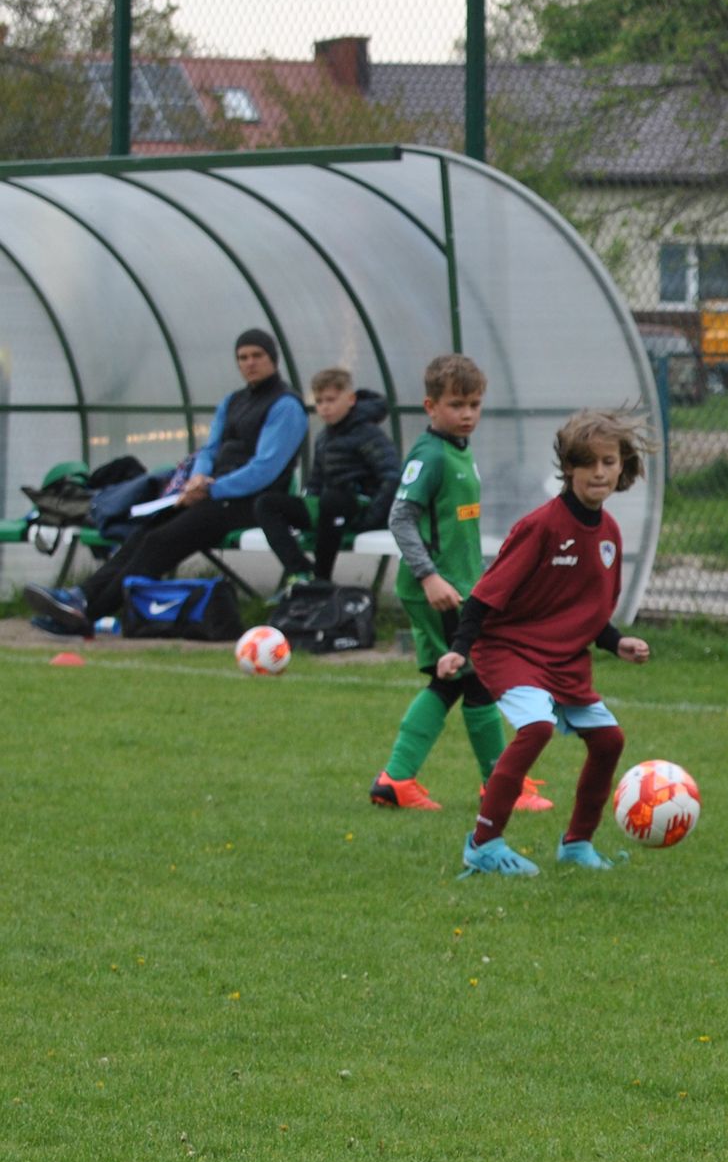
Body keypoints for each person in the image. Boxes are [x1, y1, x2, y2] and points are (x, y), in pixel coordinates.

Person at [439, 409, 659, 877]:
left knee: (609, 740)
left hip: (563, 660)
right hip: (510, 650)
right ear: (569, 468)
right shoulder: (541, 526)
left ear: (623, 467)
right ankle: (483, 843)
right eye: (587, 463)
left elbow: (583, 611)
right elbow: (483, 596)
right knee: (536, 728)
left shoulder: (610, 536)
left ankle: (576, 844)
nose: (598, 473)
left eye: (608, 461)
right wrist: (460, 647)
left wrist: (616, 642)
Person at [27, 329, 306, 637]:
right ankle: (79, 596)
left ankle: (86, 615)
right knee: (144, 532)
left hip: (250, 502)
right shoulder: (233, 401)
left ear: (273, 360)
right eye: (243, 357)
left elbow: (265, 469)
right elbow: (209, 450)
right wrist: (197, 478)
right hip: (210, 494)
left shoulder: (286, 406)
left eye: (257, 356)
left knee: (161, 543)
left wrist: (210, 488)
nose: (250, 363)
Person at [370, 355, 550, 816]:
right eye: (456, 404)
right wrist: (430, 576)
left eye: (474, 404)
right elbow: (400, 517)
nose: (467, 413)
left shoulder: (459, 451)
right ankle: (497, 785)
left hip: (461, 587)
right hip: (436, 589)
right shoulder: (429, 456)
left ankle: (398, 779)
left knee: (453, 681)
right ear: (431, 406)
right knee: (473, 680)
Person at [254, 367, 400, 597]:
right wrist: (305, 506)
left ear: (350, 399)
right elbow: (315, 481)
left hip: (358, 506)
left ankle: (321, 579)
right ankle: (301, 571)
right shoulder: (323, 437)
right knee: (266, 504)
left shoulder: (368, 433)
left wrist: (372, 517)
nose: (324, 407)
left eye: (331, 400)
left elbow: (391, 477)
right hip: (327, 506)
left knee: (333, 500)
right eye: (319, 401)